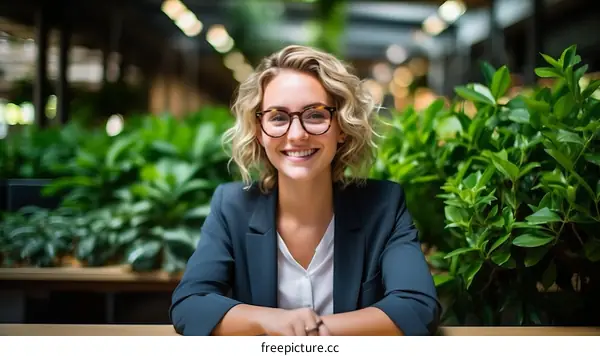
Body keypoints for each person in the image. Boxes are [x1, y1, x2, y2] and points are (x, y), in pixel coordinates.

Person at [169, 45, 441, 336]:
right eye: (277, 117)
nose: (297, 134)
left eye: (315, 115)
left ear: (342, 128)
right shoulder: (231, 206)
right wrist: (269, 321)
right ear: (259, 131)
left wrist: (305, 330)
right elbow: (190, 304)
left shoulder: (383, 205)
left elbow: (417, 307)